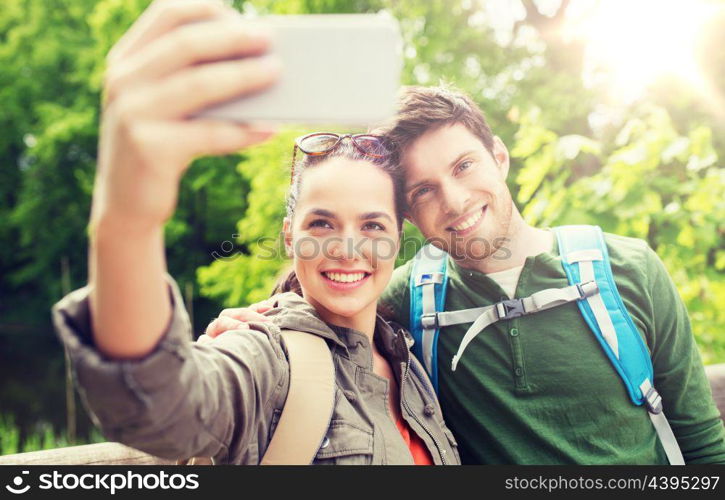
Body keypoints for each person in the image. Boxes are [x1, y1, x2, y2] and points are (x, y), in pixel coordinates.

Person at [217, 86, 725, 464]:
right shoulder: (409, 302)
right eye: (423, 191)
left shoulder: (628, 270)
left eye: (464, 167)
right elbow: (334, 294)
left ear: (499, 157)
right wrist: (260, 321)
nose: (454, 202)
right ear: (407, 217)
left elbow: (702, 444)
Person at [50, 0, 459, 465]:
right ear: (290, 236)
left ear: (396, 239)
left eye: (372, 225)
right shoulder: (267, 355)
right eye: (321, 223)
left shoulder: (411, 362)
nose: (348, 248)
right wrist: (126, 218)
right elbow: (158, 411)